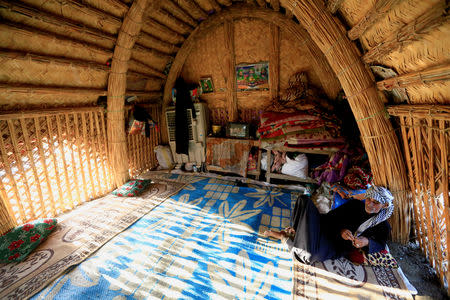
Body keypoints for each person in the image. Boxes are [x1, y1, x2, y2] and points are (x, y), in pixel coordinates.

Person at [264, 185, 394, 264]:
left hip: (336, 246)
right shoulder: (355, 205)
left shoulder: (383, 226)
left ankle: (284, 237)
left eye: (375, 203)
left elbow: (380, 243)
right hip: (326, 229)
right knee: (304, 201)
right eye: (368, 199)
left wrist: (366, 241)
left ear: (385, 205)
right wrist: (342, 230)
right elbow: (331, 217)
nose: (370, 204)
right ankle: (298, 231)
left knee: (308, 256)